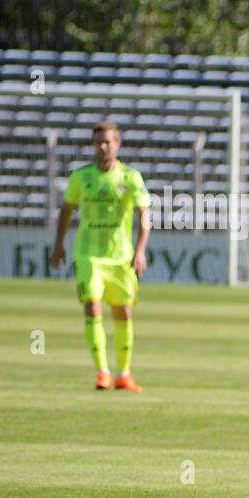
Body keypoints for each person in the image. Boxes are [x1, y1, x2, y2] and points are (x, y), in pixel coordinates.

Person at [50, 121, 151, 392]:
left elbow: (145, 217)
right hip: (88, 254)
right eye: (98, 142)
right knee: (92, 306)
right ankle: (102, 372)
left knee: (123, 311)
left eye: (107, 141)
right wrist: (58, 245)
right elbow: (67, 210)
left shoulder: (131, 177)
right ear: (94, 145)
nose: (103, 147)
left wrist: (140, 251)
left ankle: (124, 374)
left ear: (118, 144)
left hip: (121, 257)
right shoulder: (81, 177)